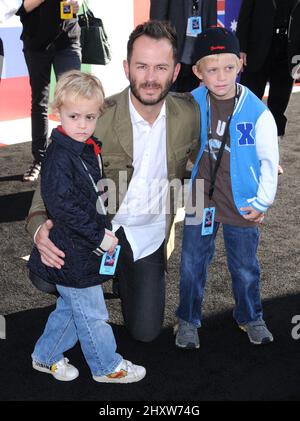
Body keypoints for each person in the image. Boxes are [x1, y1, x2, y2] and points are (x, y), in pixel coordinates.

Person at [25, 20, 201, 343]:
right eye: (142, 66)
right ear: (126, 68)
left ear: (175, 72)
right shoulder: (98, 114)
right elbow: (55, 168)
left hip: (146, 234)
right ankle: (89, 279)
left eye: (161, 67)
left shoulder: (189, 115)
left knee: (146, 333)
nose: (150, 78)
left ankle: (123, 277)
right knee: (44, 275)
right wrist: (38, 228)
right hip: (96, 227)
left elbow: (216, 146)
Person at [27, 70, 146, 383]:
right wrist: (99, 236)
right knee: (93, 313)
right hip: (74, 251)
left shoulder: (85, 146)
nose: (82, 124)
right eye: (74, 116)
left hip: (81, 248)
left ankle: (45, 355)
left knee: (70, 307)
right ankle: (107, 366)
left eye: (90, 116)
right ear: (58, 113)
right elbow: (64, 208)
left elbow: (91, 196)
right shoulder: (58, 157)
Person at [175, 27, 279, 349]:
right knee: (192, 262)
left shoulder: (258, 112)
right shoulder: (189, 104)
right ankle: (188, 321)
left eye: (229, 68)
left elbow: (268, 159)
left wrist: (262, 201)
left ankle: (250, 316)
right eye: (212, 69)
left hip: (243, 201)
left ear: (241, 64)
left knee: (245, 266)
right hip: (199, 198)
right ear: (198, 72)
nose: (221, 77)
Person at [16, 0, 82, 182]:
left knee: (73, 100)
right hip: (36, 44)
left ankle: (72, 158)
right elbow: (22, 7)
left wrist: (77, 4)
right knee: (40, 102)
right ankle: (40, 159)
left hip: (67, 41)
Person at [236, 0, 300, 174]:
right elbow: (245, 15)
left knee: (278, 108)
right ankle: (245, 157)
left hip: (289, 53)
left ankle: (272, 158)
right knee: (247, 105)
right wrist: (241, 48)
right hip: (257, 50)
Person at [150, 0, 217, 92]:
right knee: (168, 97)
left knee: (188, 98)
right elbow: (157, 18)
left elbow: (211, 17)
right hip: (171, 53)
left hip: (196, 54)